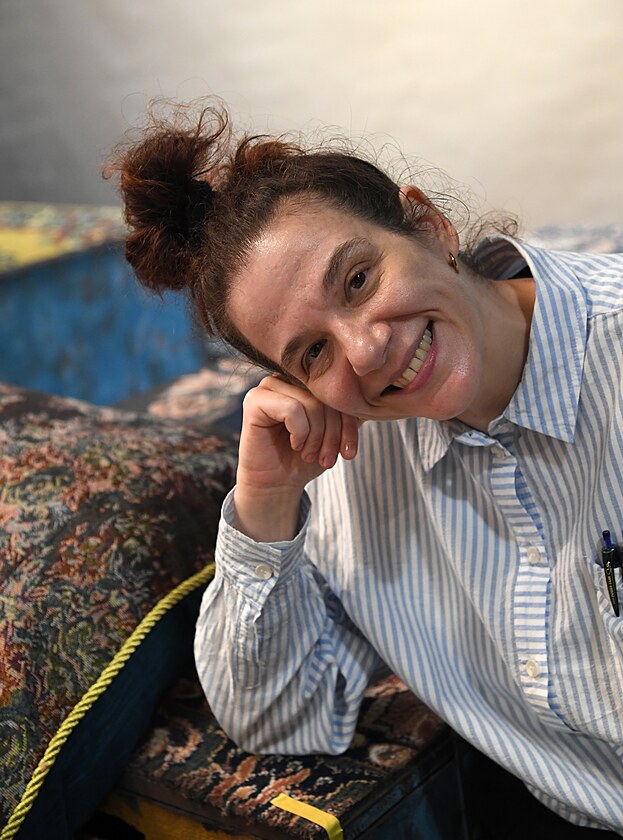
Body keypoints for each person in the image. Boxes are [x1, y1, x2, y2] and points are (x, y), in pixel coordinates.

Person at [108, 101, 623, 837]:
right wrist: (264, 502)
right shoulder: (347, 465)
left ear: (428, 226)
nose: (366, 350)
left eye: (356, 280)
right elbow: (276, 715)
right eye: (312, 352)